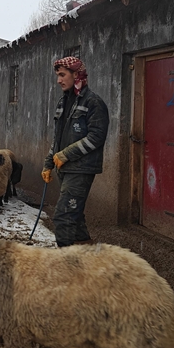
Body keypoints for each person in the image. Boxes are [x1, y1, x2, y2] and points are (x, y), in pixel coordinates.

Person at [41, 56, 109, 247]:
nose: (59, 80)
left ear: (76, 75)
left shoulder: (93, 103)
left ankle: (67, 267)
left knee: (64, 217)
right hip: (65, 168)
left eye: (62, 75)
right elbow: (58, 138)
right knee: (75, 217)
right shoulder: (64, 102)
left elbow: (96, 137)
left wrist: (66, 154)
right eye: (57, 76)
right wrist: (48, 163)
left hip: (81, 169)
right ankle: (87, 256)